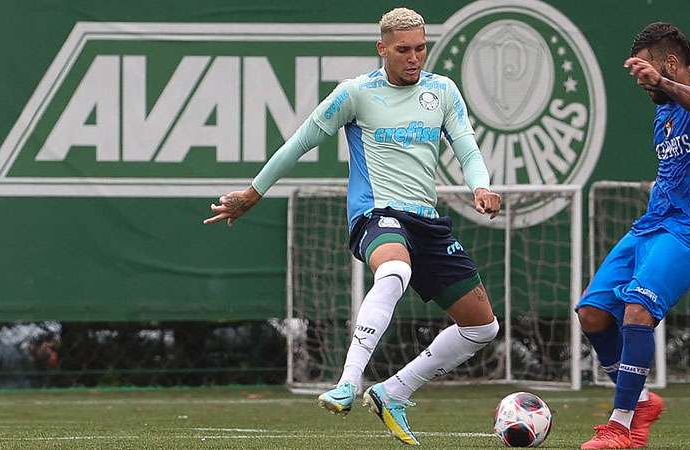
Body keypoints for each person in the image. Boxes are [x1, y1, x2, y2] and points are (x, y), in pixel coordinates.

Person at [204, 7, 501, 446]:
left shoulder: (443, 91)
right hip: (376, 215)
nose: (414, 57)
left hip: (428, 222)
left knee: (482, 328)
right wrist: (253, 192)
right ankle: (348, 382)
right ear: (382, 49)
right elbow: (299, 141)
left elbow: (467, 146)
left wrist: (481, 186)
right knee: (395, 272)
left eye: (421, 48)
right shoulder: (355, 93)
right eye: (403, 50)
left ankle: (392, 392)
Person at [576, 22, 690, 449]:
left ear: (669, 62)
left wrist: (663, 82)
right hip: (651, 226)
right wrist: (661, 87)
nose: (642, 81)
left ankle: (621, 425)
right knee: (591, 314)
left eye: (646, 69)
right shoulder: (663, 112)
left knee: (637, 309)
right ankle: (643, 401)